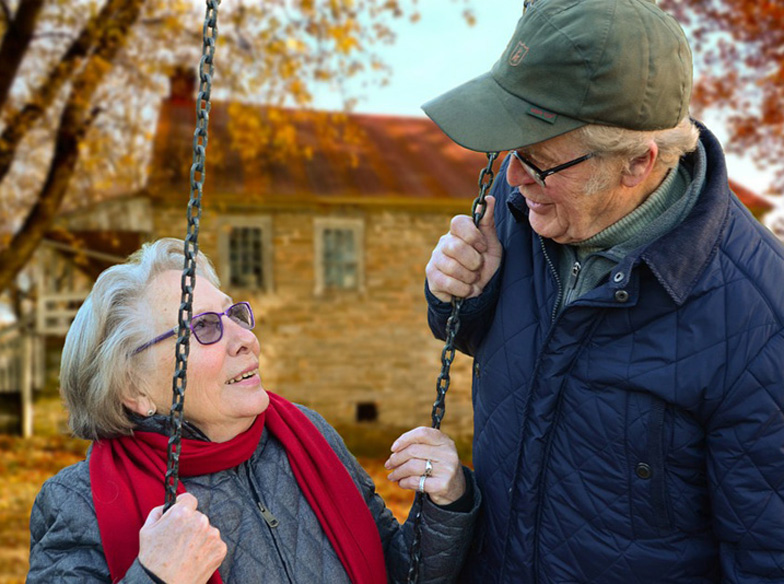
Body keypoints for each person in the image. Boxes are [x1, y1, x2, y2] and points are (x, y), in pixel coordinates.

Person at [421, 0, 784, 582]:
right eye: (514, 152)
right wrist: (459, 294)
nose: (514, 178)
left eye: (541, 162)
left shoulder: (761, 320)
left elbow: (768, 558)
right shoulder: (522, 215)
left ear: (637, 163)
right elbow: (478, 339)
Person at [27, 238, 479, 584]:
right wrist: (155, 577)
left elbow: (397, 571)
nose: (244, 337)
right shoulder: (78, 502)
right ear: (134, 389)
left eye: (234, 315)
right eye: (203, 328)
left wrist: (444, 503)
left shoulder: (308, 437)